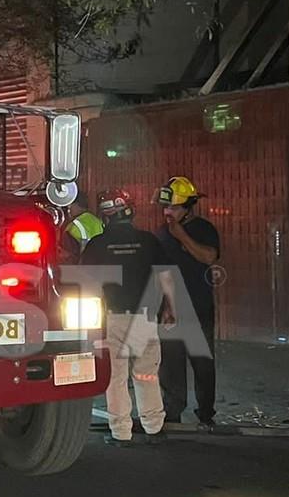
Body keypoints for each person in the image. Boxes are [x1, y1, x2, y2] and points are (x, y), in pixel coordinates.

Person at [80, 189, 174, 447]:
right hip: (145, 318)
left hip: (112, 320)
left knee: (116, 378)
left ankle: (121, 433)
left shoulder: (96, 245)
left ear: (106, 215)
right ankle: (154, 428)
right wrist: (170, 308)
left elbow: (87, 285)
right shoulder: (149, 241)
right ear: (129, 211)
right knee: (147, 374)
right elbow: (166, 277)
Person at [155, 176, 219, 431]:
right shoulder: (160, 234)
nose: (167, 212)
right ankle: (172, 414)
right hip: (169, 311)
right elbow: (159, 271)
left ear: (187, 208)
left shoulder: (204, 229)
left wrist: (181, 236)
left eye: (173, 208)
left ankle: (206, 413)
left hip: (199, 308)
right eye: (165, 207)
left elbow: (209, 256)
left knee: (203, 364)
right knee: (170, 366)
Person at [61, 193, 104, 262]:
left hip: (82, 267)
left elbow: (69, 255)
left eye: (69, 207)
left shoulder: (73, 226)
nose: (68, 210)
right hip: (100, 265)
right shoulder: (97, 221)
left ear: (75, 206)